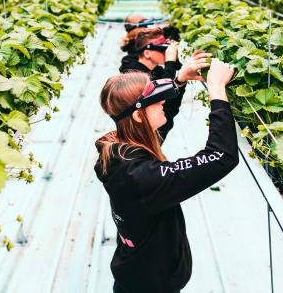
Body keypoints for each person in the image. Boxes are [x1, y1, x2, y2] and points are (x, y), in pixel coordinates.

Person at [95, 59, 238, 293]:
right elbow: (221, 156)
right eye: (155, 100)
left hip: (136, 273)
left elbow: (158, 123)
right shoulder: (142, 178)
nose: (163, 101)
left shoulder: (121, 147)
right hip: (151, 286)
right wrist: (217, 91)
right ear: (139, 117)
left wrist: (179, 80)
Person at [119, 27, 209, 140]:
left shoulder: (156, 71)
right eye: (163, 49)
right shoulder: (134, 76)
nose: (166, 52)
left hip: (159, 129)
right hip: (147, 135)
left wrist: (176, 66)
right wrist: (170, 64)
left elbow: (171, 102)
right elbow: (161, 97)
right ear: (147, 53)